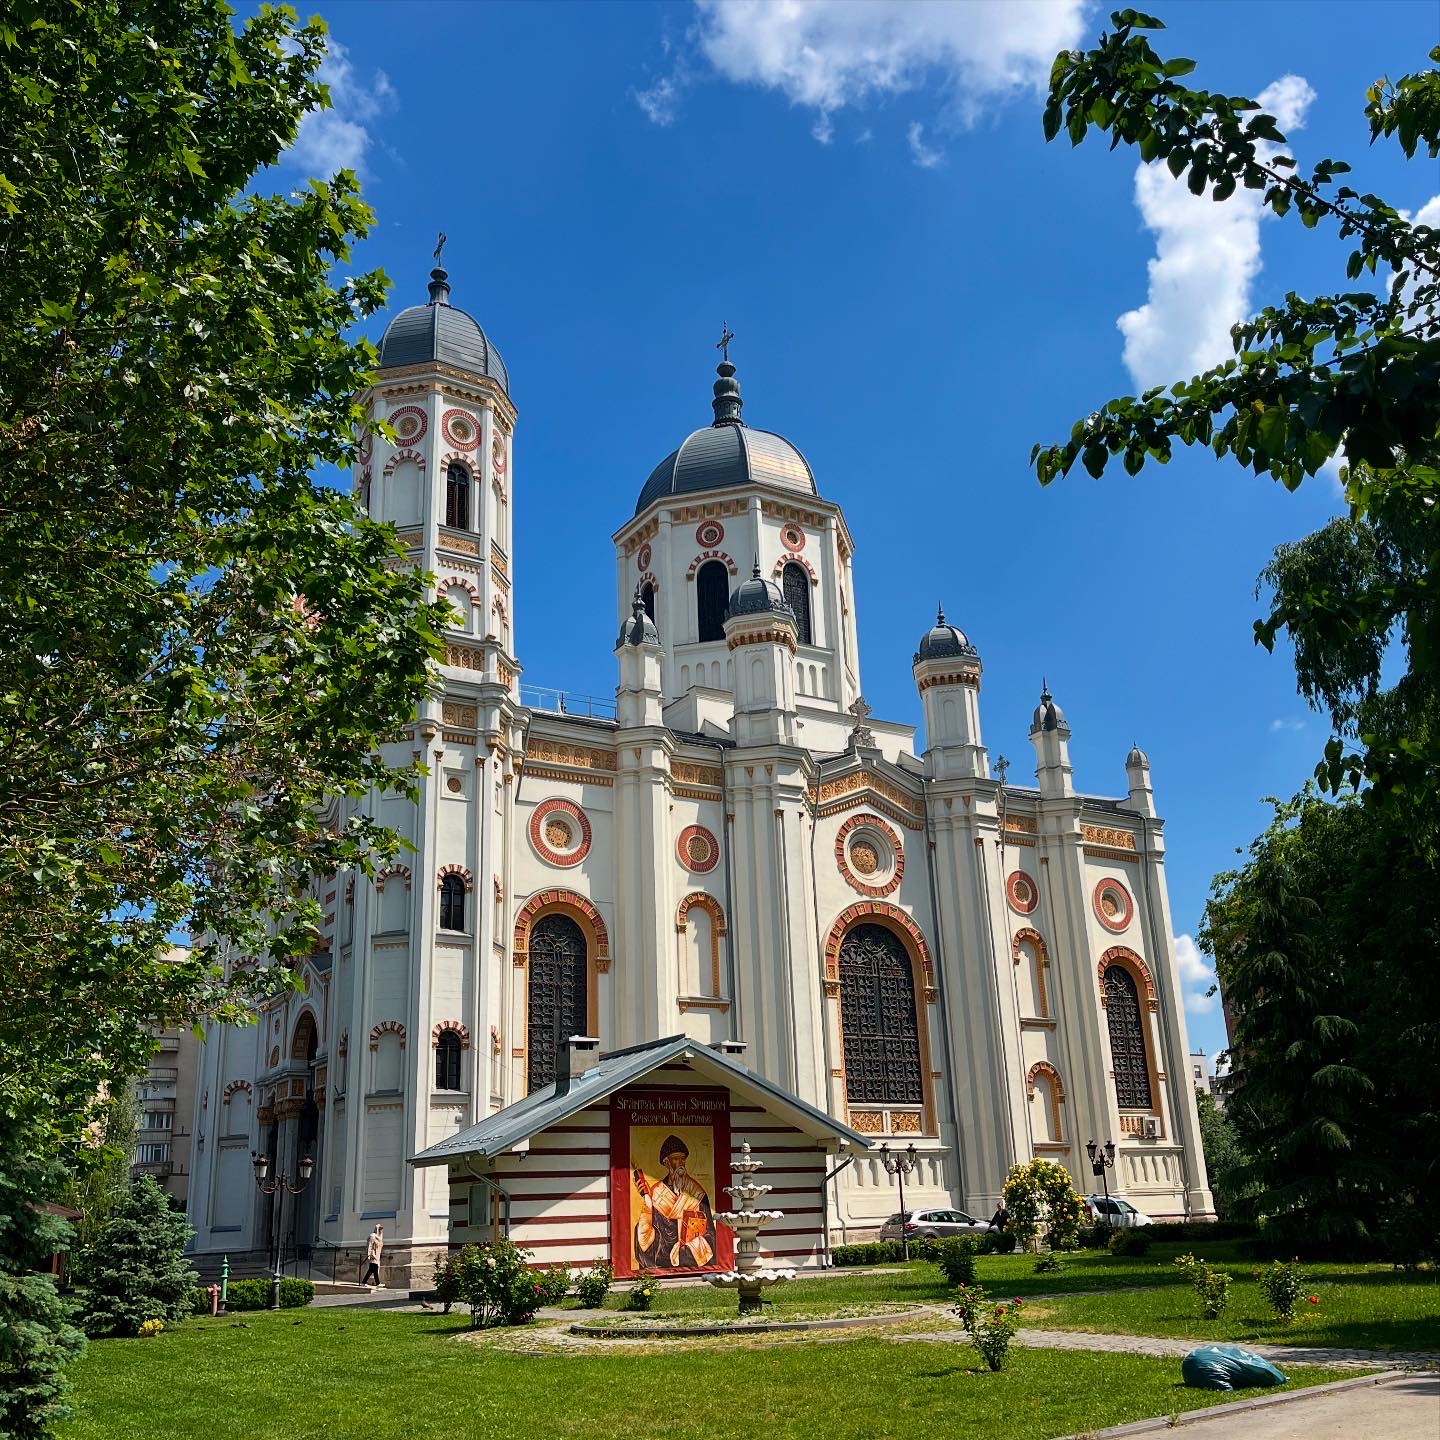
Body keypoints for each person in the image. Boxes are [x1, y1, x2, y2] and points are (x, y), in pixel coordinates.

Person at [633, 1134, 716, 1270]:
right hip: (663, 1259)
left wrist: (689, 1249)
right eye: (676, 1159)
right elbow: (647, 1231)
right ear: (666, 1162)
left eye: (683, 1159)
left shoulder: (696, 1193)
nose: (681, 1163)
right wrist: (648, 1203)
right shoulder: (657, 1192)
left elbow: (710, 1233)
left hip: (689, 1254)